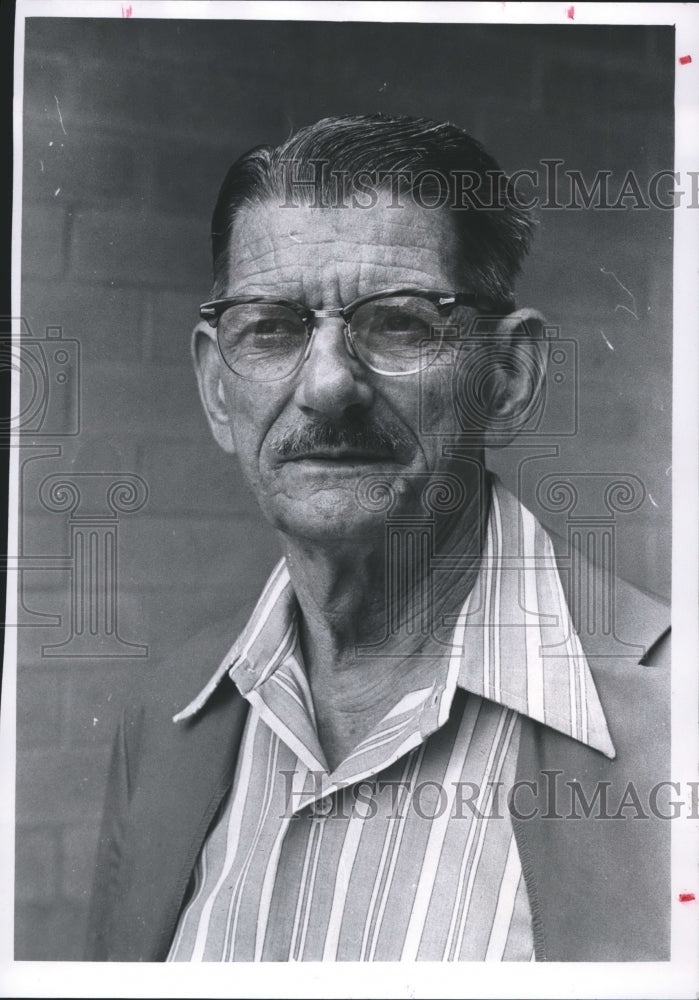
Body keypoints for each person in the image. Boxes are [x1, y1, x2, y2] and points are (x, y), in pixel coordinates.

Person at [86, 114, 670, 962]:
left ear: (506, 378)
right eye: (274, 328)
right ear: (217, 386)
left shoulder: (670, 723)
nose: (327, 385)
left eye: (398, 323)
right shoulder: (165, 720)